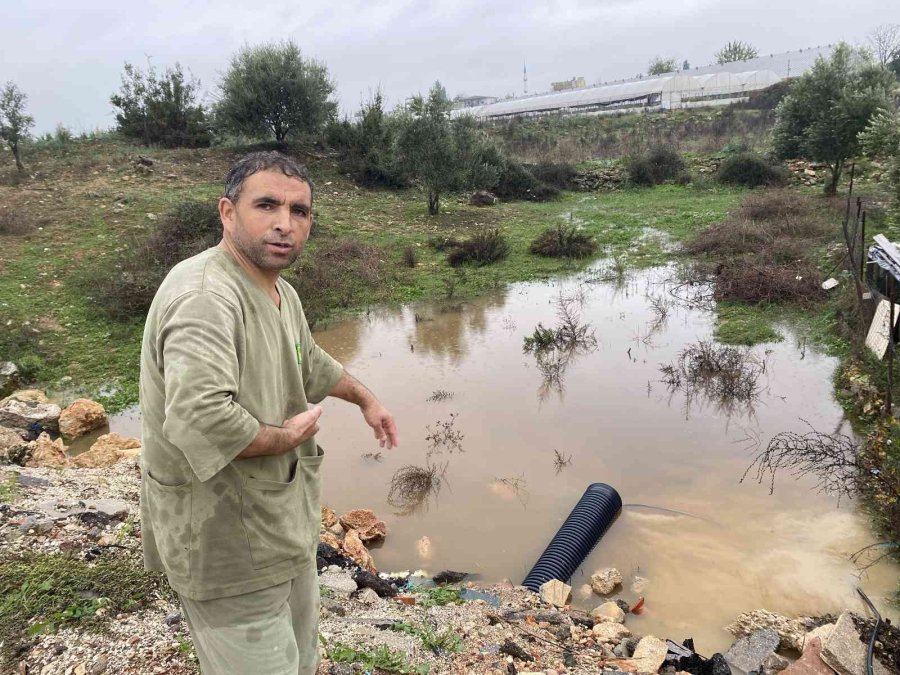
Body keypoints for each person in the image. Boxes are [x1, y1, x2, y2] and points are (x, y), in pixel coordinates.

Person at [139, 151, 399, 675]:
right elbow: (198, 417)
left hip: (282, 526)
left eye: (299, 211)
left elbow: (305, 360)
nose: (285, 223)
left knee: (301, 660)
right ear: (227, 212)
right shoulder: (205, 297)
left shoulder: (279, 290)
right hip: (223, 542)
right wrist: (286, 436)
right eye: (267, 205)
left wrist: (365, 399)